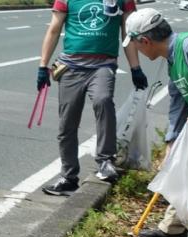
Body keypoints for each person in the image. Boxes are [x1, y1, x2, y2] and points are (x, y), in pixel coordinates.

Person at [38, 0, 148, 196]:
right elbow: (54, 29)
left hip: (103, 66)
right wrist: (43, 65)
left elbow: (128, 33)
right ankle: (69, 176)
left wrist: (135, 68)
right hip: (70, 66)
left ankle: (105, 161)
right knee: (67, 122)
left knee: (103, 100)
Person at [122, 8, 188, 237]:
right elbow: (178, 100)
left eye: (135, 45)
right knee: (182, 170)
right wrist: (171, 141)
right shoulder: (172, 59)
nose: (137, 51)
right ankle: (172, 227)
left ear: (145, 41)